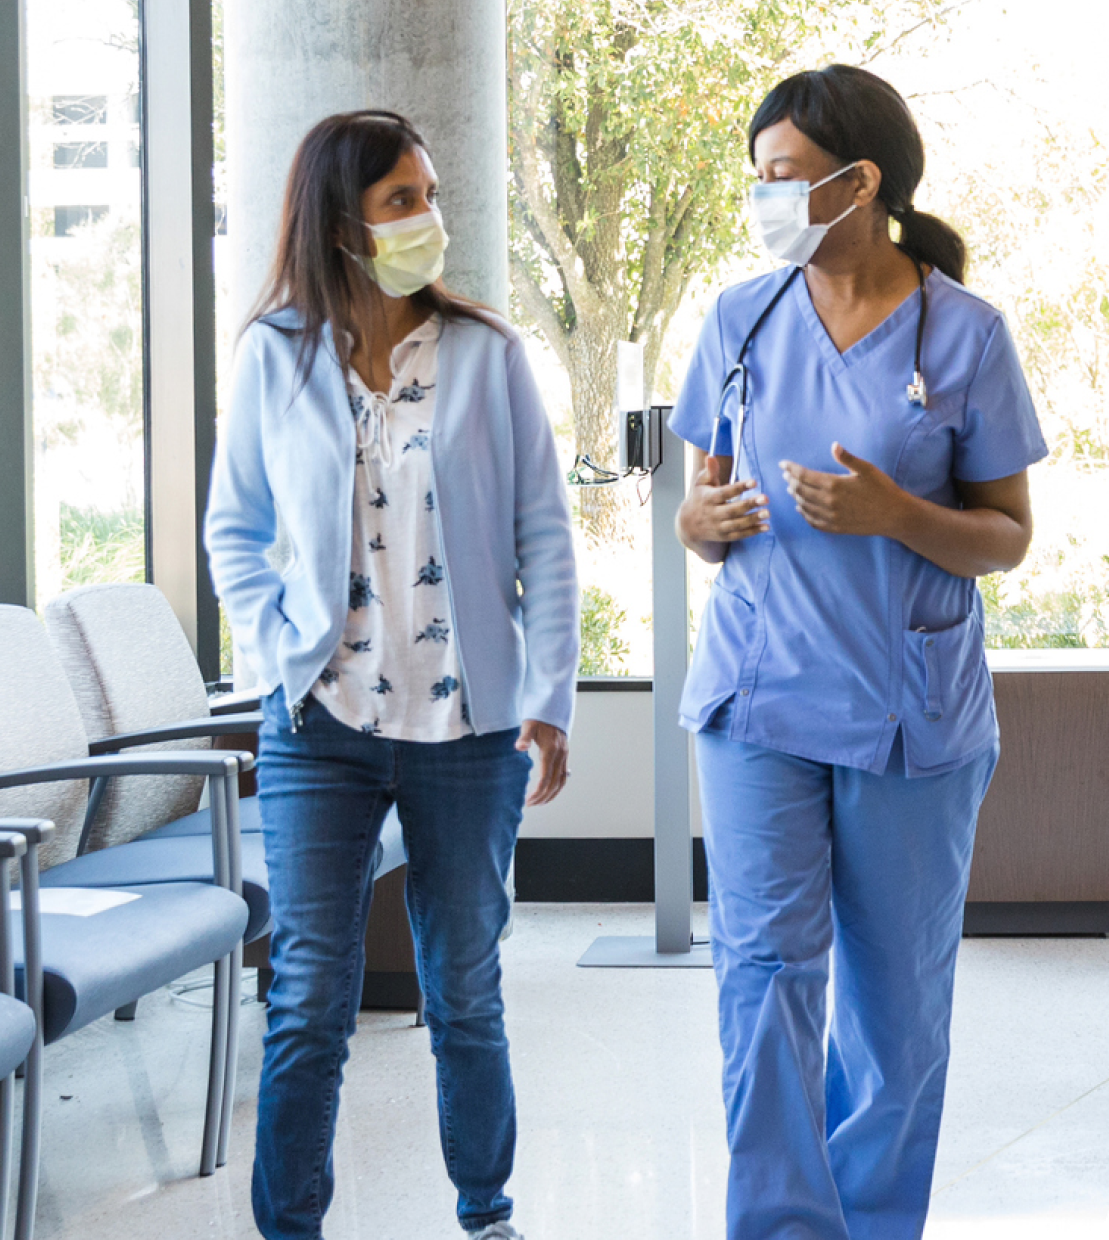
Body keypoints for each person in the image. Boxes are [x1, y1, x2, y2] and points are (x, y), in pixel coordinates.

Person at [669, 65, 1044, 1239]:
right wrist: (698, 523)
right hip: (754, 699)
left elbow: (1006, 535)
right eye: (757, 177)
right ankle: (778, 1226)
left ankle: (872, 1224)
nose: (763, 199)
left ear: (859, 181)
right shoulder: (739, 317)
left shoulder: (962, 333)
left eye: (782, 176)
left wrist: (894, 514)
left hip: (902, 712)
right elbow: (700, 510)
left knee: (893, 1006)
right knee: (761, 983)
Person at [205, 110, 579, 1240]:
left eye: (428, 194)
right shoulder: (274, 355)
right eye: (401, 200)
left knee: (462, 989)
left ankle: (485, 1213)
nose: (428, 218)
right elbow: (233, 529)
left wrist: (547, 698)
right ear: (342, 224)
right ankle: (290, 1227)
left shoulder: (486, 353)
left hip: (468, 729)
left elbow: (543, 536)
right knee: (307, 999)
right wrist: (280, 648)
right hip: (318, 723)